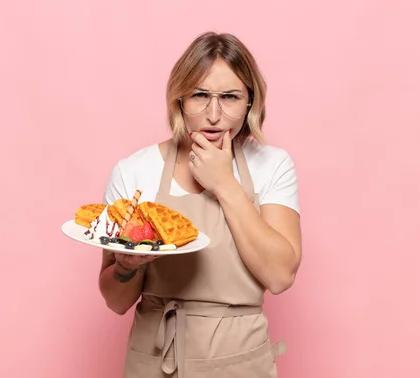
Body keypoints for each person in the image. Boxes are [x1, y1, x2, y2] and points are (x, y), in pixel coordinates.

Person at [98, 31, 302, 378]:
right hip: (154, 360)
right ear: (180, 99)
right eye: (200, 95)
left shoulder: (272, 165)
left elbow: (280, 276)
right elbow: (116, 301)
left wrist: (224, 183)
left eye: (230, 97)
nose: (213, 114)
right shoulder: (134, 170)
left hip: (241, 363)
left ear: (250, 102)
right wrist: (126, 266)